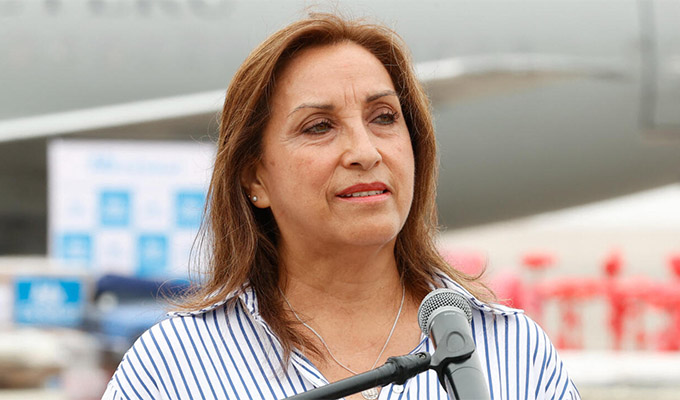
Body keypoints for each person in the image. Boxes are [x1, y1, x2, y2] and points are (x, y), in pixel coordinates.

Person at [102, 13, 580, 400]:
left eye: (384, 118)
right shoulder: (174, 366)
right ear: (255, 179)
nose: (365, 152)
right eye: (319, 126)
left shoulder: (512, 349)